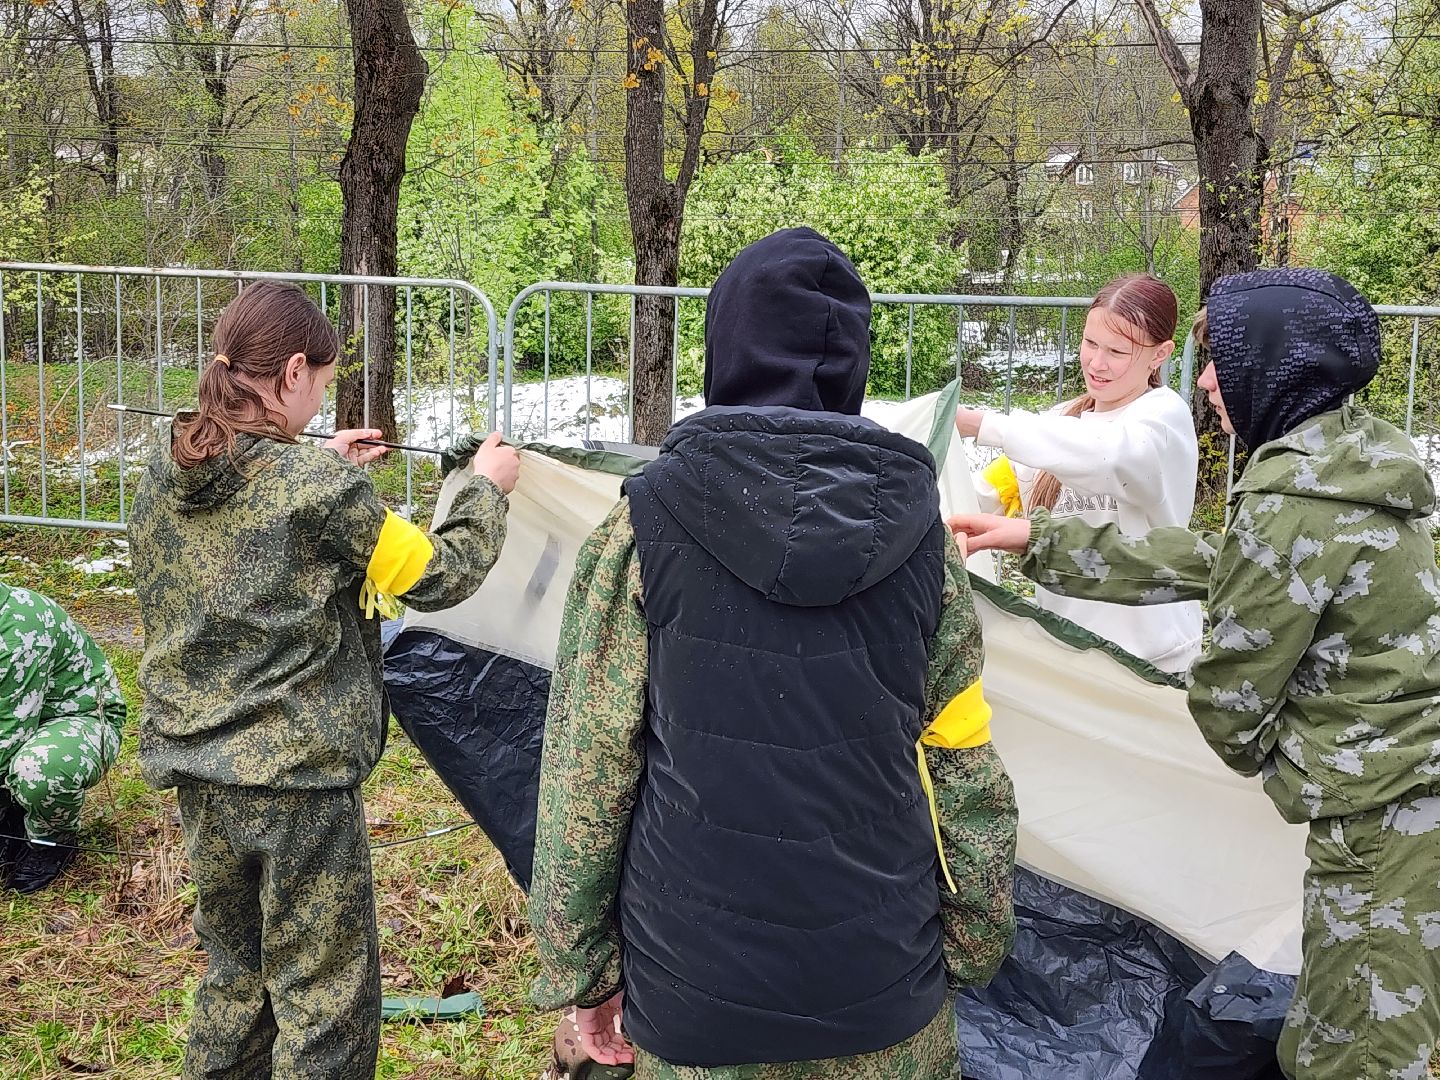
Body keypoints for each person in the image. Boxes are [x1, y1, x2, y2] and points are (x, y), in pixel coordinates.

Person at [528, 227, 1018, 1080]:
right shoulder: (926, 548)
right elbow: (963, 765)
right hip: (884, 993)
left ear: (726, 349)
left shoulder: (640, 531)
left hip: (694, 1001)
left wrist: (586, 971)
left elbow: (587, 770)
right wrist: (973, 938)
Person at [951, 268, 1440, 1080]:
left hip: (1378, 815)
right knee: (1326, 1030)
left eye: (1224, 359)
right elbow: (1217, 559)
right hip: (1398, 797)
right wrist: (1029, 541)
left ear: (1279, 368)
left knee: (1357, 1053)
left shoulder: (1296, 501)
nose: (1209, 380)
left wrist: (1251, 760)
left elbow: (1230, 702)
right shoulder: (1345, 463)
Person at [128, 280, 519, 1079]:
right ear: (292, 373)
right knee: (325, 1002)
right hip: (298, 788)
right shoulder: (316, 493)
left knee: (236, 985)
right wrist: (484, 486)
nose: (323, 401)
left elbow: (259, 518)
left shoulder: (165, 473)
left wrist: (315, 463)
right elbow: (440, 573)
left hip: (201, 779)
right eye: (325, 385)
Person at [956, 274, 1200, 673]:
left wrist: (986, 425)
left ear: (1160, 354)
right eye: (1090, 343)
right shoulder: (1059, 422)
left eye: (1118, 351)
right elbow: (988, 490)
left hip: (1150, 659)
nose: (1096, 363)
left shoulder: (1164, 417)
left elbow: (1111, 455)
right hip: (1070, 650)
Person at [0, 583, 126, 893]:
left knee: (39, 769)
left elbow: (9, 735)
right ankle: (14, 814)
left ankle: (50, 842)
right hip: (16, 717)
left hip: (78, 719)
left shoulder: (17, 631)